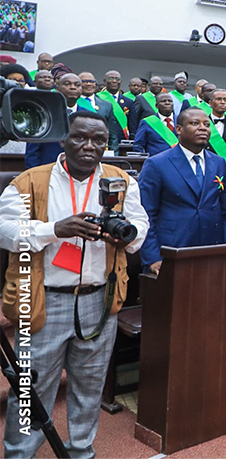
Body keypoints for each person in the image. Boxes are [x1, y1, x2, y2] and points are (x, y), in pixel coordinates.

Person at [0, 110, 149, 458]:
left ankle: (81, 449)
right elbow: (6, 232)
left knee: (90, 384)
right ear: (64, 140)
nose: (89, 146)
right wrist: (55, 229)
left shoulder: (120, 180)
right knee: (31, 387)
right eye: (80, 137)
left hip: (100, 299)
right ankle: (20, 452)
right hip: (44, 298)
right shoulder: (30, 181)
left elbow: (140, 226)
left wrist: (124, 237)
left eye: (99, 140)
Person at [138, 107, 226, 274]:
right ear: (178, 129)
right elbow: (146, 214)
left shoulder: (218, 163)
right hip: (171, 250)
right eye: (195, 123)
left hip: (212, 250)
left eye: (207, 124)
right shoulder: (157, 164)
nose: (203, 128)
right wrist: (152, 257)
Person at [25, 73, 83, 168]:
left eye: (77, 85)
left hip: (80, 169)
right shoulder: (43, 114)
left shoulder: (88, 115)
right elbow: (33, 151)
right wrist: (34, 172)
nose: (73, 87)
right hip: (49, 169)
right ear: (57, 88)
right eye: (67, 84)